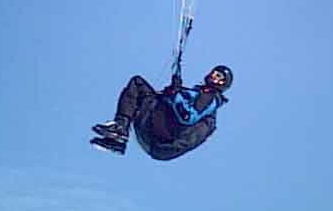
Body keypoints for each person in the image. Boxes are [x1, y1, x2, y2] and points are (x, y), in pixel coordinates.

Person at [90, 65, 233, 161]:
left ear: (223, 84)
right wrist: (171, 92)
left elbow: (187, 116)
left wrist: (175, 93)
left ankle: (120, 130)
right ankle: (117, 141)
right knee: (142, 91)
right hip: (155, 139)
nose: (214, 76)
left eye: (219, 76)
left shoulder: (210, 98)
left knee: (138, 84)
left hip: (162, 136)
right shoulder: (198, 94)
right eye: (214, 72)